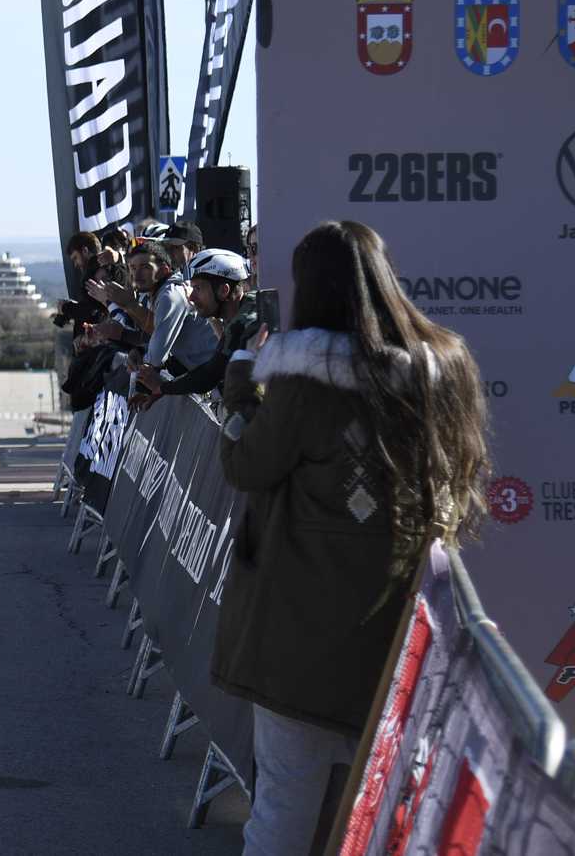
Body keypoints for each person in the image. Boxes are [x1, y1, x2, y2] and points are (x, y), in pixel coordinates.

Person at [213, 220, 490, 856]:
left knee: (284, 810)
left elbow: (246, 465)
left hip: (298, 640)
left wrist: (241, 393)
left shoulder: (303, 385)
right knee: (383, 824)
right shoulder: (443, 375)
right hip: (405, 642)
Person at [134, 249, 255, 404]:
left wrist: (163, 387)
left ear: (224, 290)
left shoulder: (245, 322)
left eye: (198, 288)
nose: (191, 297)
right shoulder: (239, 315)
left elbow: (209, 375)